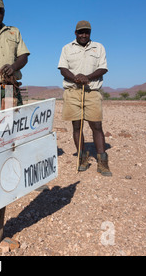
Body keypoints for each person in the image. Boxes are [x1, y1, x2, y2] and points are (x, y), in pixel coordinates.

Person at [58, 20, 112, 177]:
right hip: (73, 91)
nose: (83, 35)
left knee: (96, 125)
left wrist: (86, 77)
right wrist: (76, 79)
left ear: (90, 33)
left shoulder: (99, 47)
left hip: (92, 91)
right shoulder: (67, 48)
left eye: (86, 32)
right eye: (80, 32)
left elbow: (103, 68)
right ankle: (82, 157)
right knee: (77, 126)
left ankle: (102, 161)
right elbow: (62, 68)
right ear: (75, 33)